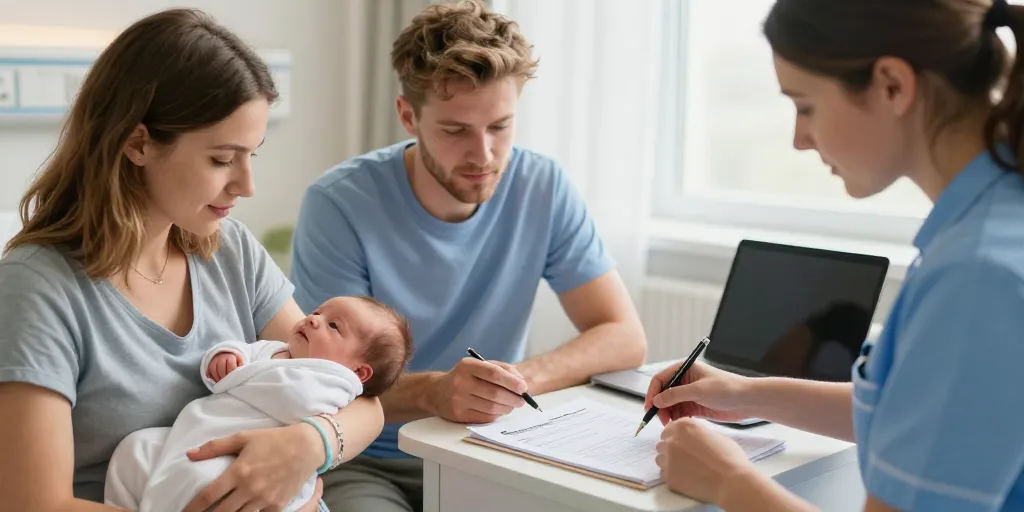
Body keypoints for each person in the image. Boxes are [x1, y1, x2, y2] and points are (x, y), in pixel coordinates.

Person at [0, 8, 385, 512]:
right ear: (138, 143)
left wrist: (310, 444)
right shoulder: (37, 289)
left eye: (252, 155)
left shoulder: (231, 251)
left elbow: (361, 400)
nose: (246, 185)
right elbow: (32, 504)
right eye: (222, 159)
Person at [648, 1, 1024, 511]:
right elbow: (917, 411)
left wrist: (727, 482)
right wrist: (744, 393)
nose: (799, 140)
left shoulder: (976, 276)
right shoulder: (990, 224)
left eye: (805, 107)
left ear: (892, 85)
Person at [289, 0, 648, 510]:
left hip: (489, 448)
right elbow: (319, 379)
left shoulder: (541, 186)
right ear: (408, 116)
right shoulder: (340, 204)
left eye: (500, 126)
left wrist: (513, 383)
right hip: (369, 458)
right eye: (456, 131)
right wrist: (434, 393)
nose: (483, 155)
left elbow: (623, 336)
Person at [104, 296, 413, 512]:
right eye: (318, 312)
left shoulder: (336, 384)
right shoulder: (275, 349)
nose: (314, 319)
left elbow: (300, 400)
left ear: (359, 372)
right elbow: (242, 352)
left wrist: (244, 376)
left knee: (200, 482)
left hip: (244, 459)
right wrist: (226, 358)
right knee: (136, 448)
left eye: (334, 326)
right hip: (197, 431)